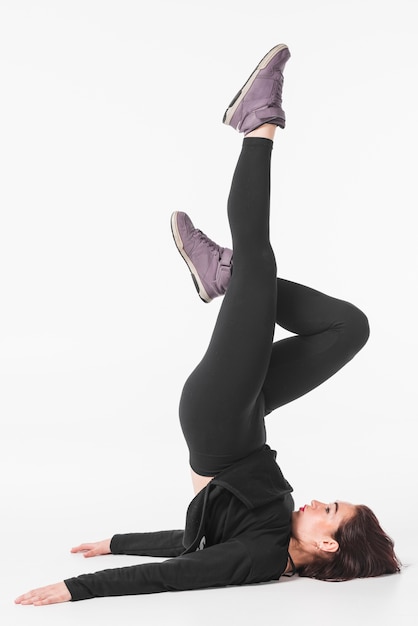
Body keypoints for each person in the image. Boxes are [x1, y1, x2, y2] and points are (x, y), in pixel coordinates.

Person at [15, 43, 401, 606]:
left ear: (327, 544)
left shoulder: (264, 554)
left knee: (259, 259)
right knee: (349, 328)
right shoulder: (266, 542)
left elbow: (182, 573)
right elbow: (192, 541)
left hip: (222, 417)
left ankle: (259, 123)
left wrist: (75, 589)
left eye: (331, 511)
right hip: (245, 413)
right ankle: (224, 273)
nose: (318, 502)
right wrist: (116, 541)